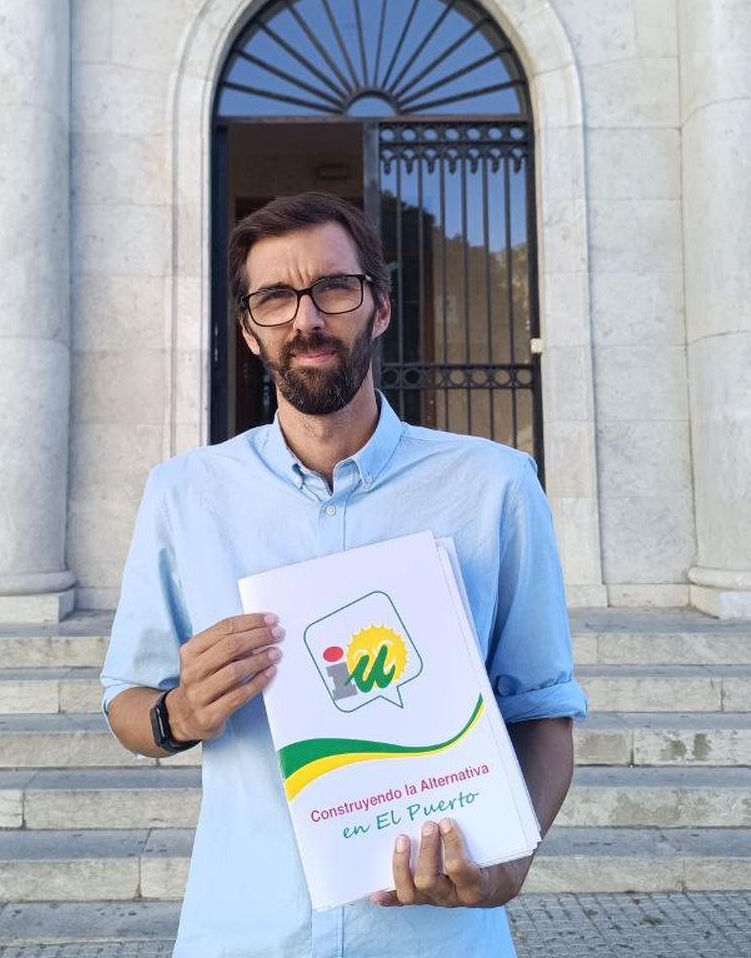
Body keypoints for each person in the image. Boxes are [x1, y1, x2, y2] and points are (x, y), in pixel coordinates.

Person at [100, 190, 588, 956]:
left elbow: (541, 711)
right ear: (249, 330)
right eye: (274, 298)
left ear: (380, 306)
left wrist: (507, 866)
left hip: (437, 938)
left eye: (334, 287)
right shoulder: (184, 494)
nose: (307, 318)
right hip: (249, 931)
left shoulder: (494, 486)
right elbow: (126, 702)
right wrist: (179, 715)